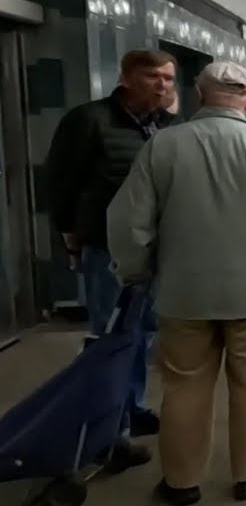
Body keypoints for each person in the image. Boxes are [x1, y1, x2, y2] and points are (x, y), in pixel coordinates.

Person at [106, 60, 246, 506]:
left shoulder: (162, 146)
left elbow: (129, 222)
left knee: (183, 386)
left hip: (183, 296)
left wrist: (135, 271)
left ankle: (181, 482)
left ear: (199, 94)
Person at [45, 48, 178, 468]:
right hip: (106, 248)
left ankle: (130, 408)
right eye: (153, 77)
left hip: (155, 248)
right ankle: (107, 434)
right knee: (112, 337)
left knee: (143, 334)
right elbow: (61, 184)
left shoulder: (161, 127)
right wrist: (71, 238)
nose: (162, 85)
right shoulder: (89, 121)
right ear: (125, 78)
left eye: (169, 79)